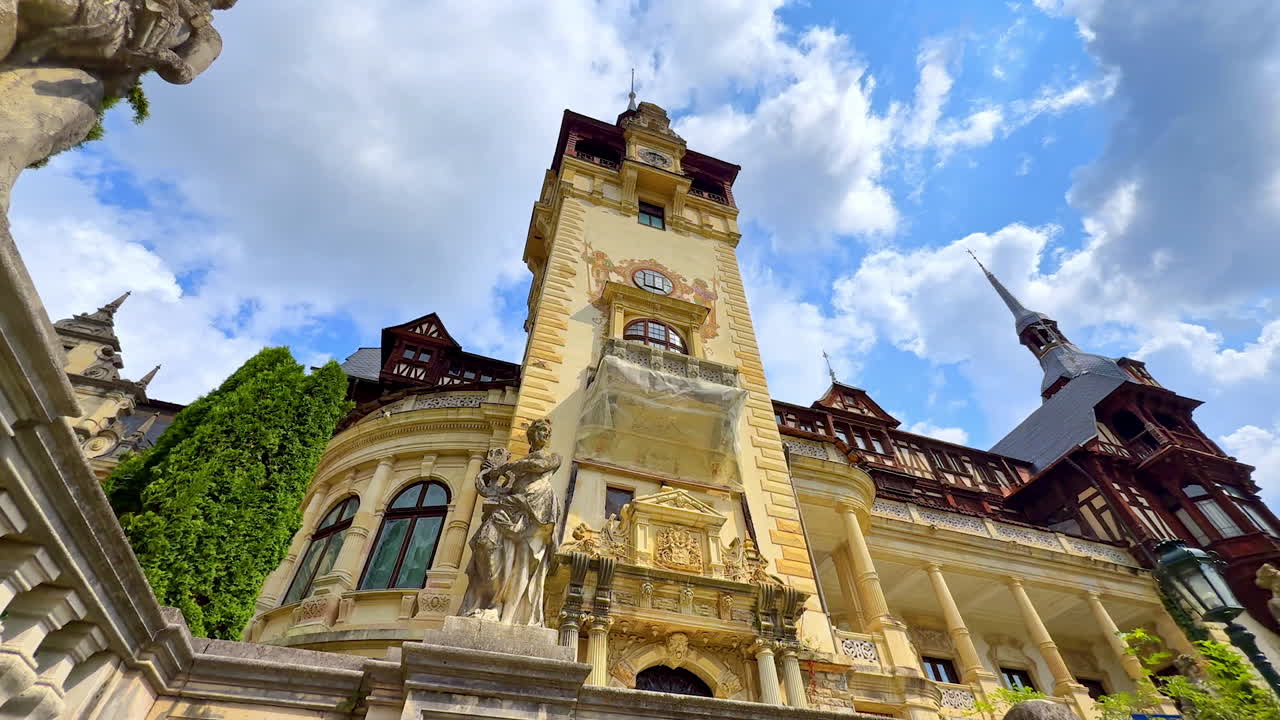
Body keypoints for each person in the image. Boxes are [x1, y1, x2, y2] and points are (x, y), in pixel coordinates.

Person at [459, 418, 562, 626]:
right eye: (541, 430)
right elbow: (502, 489)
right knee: (484, 543)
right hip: (512, 506)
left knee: (523, 564)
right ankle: (491, 601)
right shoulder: (517, 470)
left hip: (537, 510)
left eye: (548, 431)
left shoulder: (553, 457)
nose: (546, 434)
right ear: (532, 434)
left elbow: (538, 464)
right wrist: (491, 476)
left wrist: (506, 467)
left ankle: (506, 614)